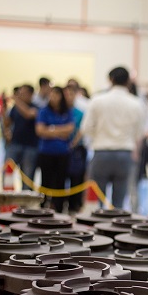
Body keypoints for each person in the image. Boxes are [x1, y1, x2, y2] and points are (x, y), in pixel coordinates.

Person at [82, 66, 146, 209]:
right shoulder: (136, 103)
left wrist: (99, 136)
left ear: (110, 79)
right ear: (128, 82)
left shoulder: (97, 100)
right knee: (118, 202)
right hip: (124, 153)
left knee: (96, 200)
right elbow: (139, 133)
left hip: (101, 152)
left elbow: (86, 128)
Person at [36, 86, 74, 212]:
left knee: (61, 181)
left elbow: (69, 129)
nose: (53, 98)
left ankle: (59, 207)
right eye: (51, 95)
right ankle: (44, 206)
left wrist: (51, 129)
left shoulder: (66, 111)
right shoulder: (44, 111)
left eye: (56, 95)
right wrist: (59, 131)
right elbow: (40, 131)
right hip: (46, 152)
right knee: (45, 180)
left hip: (62, 153)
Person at [4, 84, 39, 183]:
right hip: (15, 144)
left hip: (30, 146)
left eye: (23, 93)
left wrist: (15, 99)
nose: (20, 95)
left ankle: (26, 197)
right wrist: (3, 108)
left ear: (31, 94)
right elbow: (7, 122)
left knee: (27, 176)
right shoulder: (15, 108)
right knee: (8, 173)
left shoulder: (36, 107)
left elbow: (28, 114)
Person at [64, 85, 86, 214]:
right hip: (61, 149)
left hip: (76, 149)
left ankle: (74, 205)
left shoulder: (80, 112)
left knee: (76, 178)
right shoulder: (60, 112)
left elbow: (81, 130)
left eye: (71, 94)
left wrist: (73, 143)